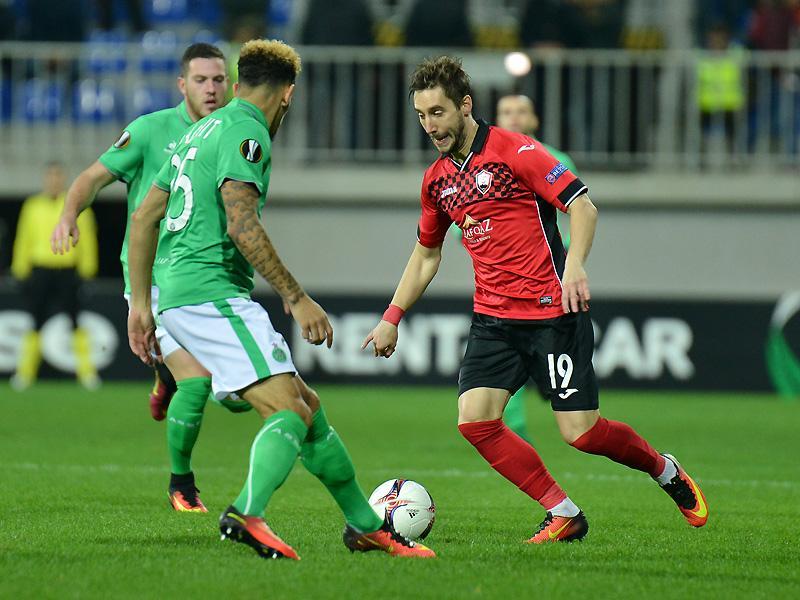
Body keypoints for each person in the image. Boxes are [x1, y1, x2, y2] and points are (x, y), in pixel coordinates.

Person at [363, 56, 709, 543]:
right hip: (493, 320)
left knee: (582, 433)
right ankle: (562, 512)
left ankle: (664, 469)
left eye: (437, 112)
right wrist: (392, 317)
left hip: (552, 314)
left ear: (465, 105)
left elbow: (583, 206)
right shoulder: (437, 181)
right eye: (421, 115)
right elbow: (426, 255)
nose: (430, 126)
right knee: (475, 421)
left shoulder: (516, 151)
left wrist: (575, 266)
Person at [126, 39, 435, 560]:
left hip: (178, 293)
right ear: (288, 94)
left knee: (308, 408)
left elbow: (141, 217)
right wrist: (296, 296)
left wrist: (141, 303)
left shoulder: (200, 130)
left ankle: (366, 525)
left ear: (238, 82)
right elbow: (242, 223)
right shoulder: (246, 130)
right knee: (288, 410)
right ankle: (247, 513)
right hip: (210, 292)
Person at [51, 43, 238, 513]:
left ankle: (164, 377)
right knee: (198, 382)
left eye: (218, 80)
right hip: (153, 278)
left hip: (205, 276)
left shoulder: (233, 133)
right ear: (182, 85)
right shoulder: (150, 130)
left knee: (235, 393)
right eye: (201, 80)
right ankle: (181, 484)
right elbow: (91, 178)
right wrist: (69, 214)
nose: (211, 89)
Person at [493, 94, 581, 441]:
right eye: (506, 111)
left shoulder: (556, 160)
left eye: (521, 111)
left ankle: (562, 399)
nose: (514, 117)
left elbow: (579, 212)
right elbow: (463, 224)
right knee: (506, 354)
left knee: (555, 361)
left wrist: (566, 257)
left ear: (534, 120)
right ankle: (514, 430)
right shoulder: (485, 164)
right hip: (504, 284)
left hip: (550, 282)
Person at [11, 162, 99, 391]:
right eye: (50, 176)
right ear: (45, 179)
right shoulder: (32, 206)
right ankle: (25, 373)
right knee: (35, 321)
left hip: (67, 270)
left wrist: (88, 269)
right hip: (40, 269)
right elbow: (24, 238)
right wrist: (20, 268)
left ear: (64, 179)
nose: (54, 181)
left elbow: (87, 239)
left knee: (75, 320)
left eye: (58, 176)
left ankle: (87, 373)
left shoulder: (76, 206)